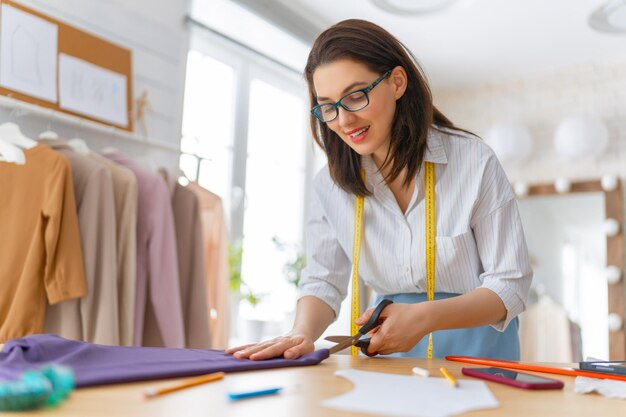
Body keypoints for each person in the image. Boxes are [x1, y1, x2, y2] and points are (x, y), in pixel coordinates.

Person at [227, 19, 532, 361]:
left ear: (397, 82)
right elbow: (323, 280)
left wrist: (424, 317)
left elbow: (510, 284)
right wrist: (301, 333)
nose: (343, 121)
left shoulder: (473, 161)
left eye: (356, 96)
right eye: (327, 106)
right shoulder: (330, 185)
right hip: (388, 355)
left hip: (479, 356)